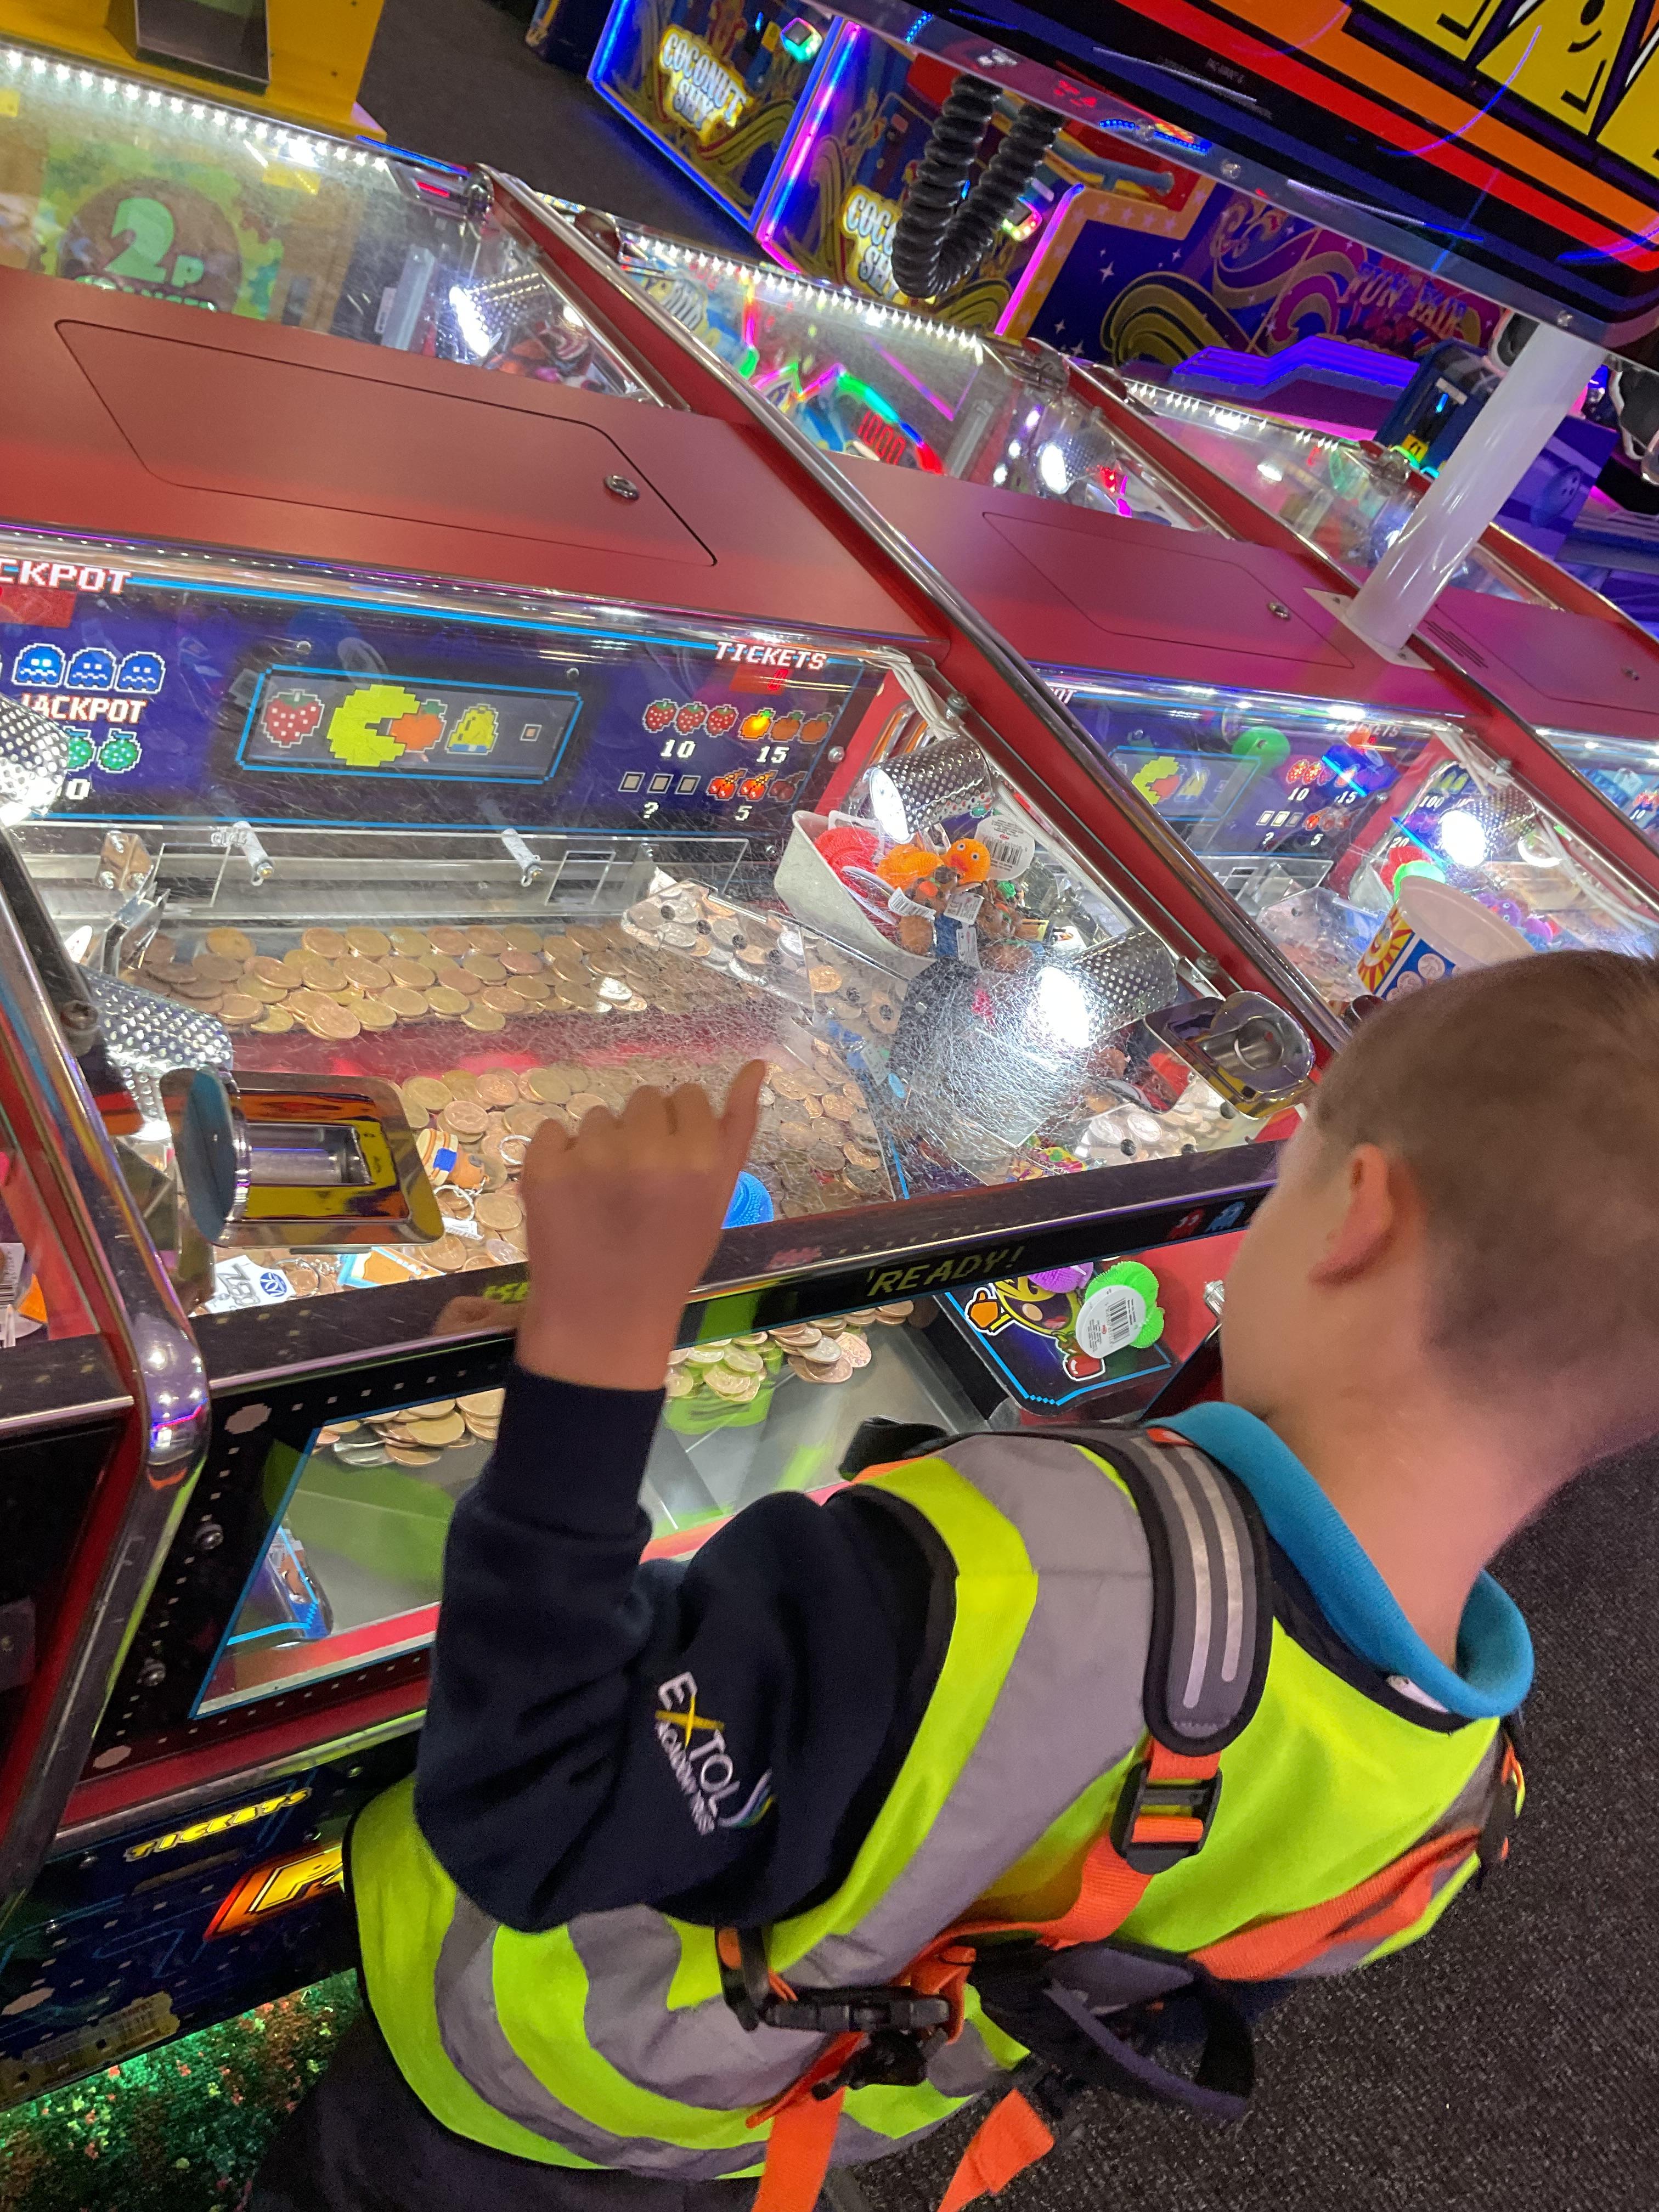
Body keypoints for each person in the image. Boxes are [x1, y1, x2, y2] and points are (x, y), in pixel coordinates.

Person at [252, 949, 1659, 2212]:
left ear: (1355, 1214)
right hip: (766, 2124)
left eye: (1288, 1179)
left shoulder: (1008, 1567)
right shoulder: (1455, 1808)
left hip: (528, 2081)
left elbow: (536, 1811)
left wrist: (596, 1337)